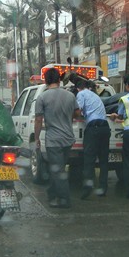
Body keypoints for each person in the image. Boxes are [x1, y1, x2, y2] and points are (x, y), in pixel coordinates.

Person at [34, 67, 80, 209]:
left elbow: (38, 120)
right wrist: (67, 116)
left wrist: (36, 138)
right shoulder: (70, 96)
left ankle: (64, 199)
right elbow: (77, 113)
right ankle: (52, 193)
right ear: (59, 80)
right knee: (59, 168)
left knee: (57, 170)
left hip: (53, 140)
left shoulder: (42, 97)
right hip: (68, 139)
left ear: (46, 81)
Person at [76, 78, 111, 199]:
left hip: (93, 128)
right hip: (105, 128)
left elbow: (78, 111)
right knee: (103, 160)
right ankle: (103, 188)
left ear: (78, 88)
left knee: (89, 160)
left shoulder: (81, 94)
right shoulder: (95, 95)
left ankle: (87, 190)